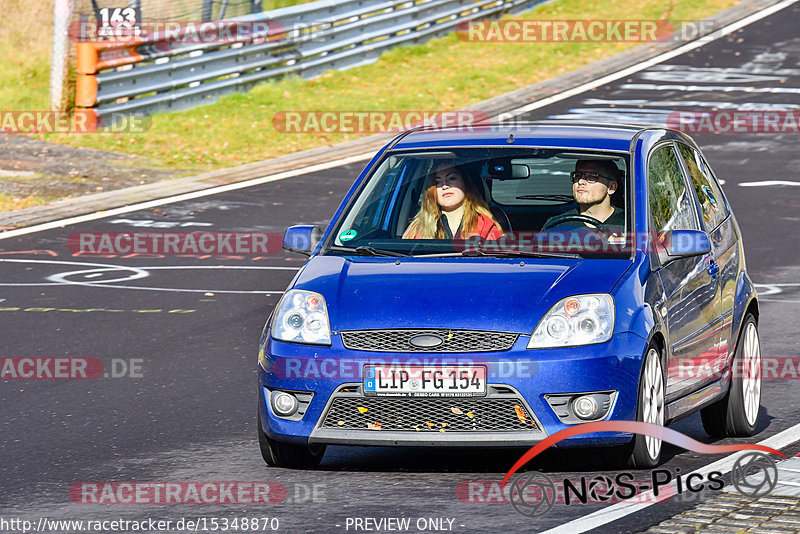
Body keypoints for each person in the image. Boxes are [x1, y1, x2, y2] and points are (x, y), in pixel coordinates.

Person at [402, 161, 503, 240]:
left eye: (452, 178)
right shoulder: (419, 227)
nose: (445, 186)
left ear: (465, 183)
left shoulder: (485, 224)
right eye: (437, 182)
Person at [544, 159, 625, 229]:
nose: (580, 182)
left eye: (592, 177)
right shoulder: (558, 225)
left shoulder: (628, 223)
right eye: (577, 176)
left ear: (611, 187)